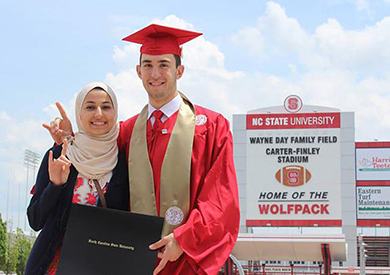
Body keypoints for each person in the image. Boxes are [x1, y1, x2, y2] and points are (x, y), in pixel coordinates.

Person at [47, 24, 240, 275]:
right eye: (148, 64)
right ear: (138, 71)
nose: (155, 73)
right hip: (133, 261)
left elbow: (222, 198)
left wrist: (183, 239)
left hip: (186, 261)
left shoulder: (212, 127)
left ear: (179, 70)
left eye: (163, 65)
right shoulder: (126, 132)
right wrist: (71, 139)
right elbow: (92, 166)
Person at [26, 82, 129, 275]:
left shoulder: (124, 162)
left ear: (115, 112)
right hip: (52, 266)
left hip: (102, 266)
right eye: (90, 107)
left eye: (106, 107)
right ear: (79, 113)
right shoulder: (60, 154)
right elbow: (35, 220)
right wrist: (55, 186)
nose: (98, 113)